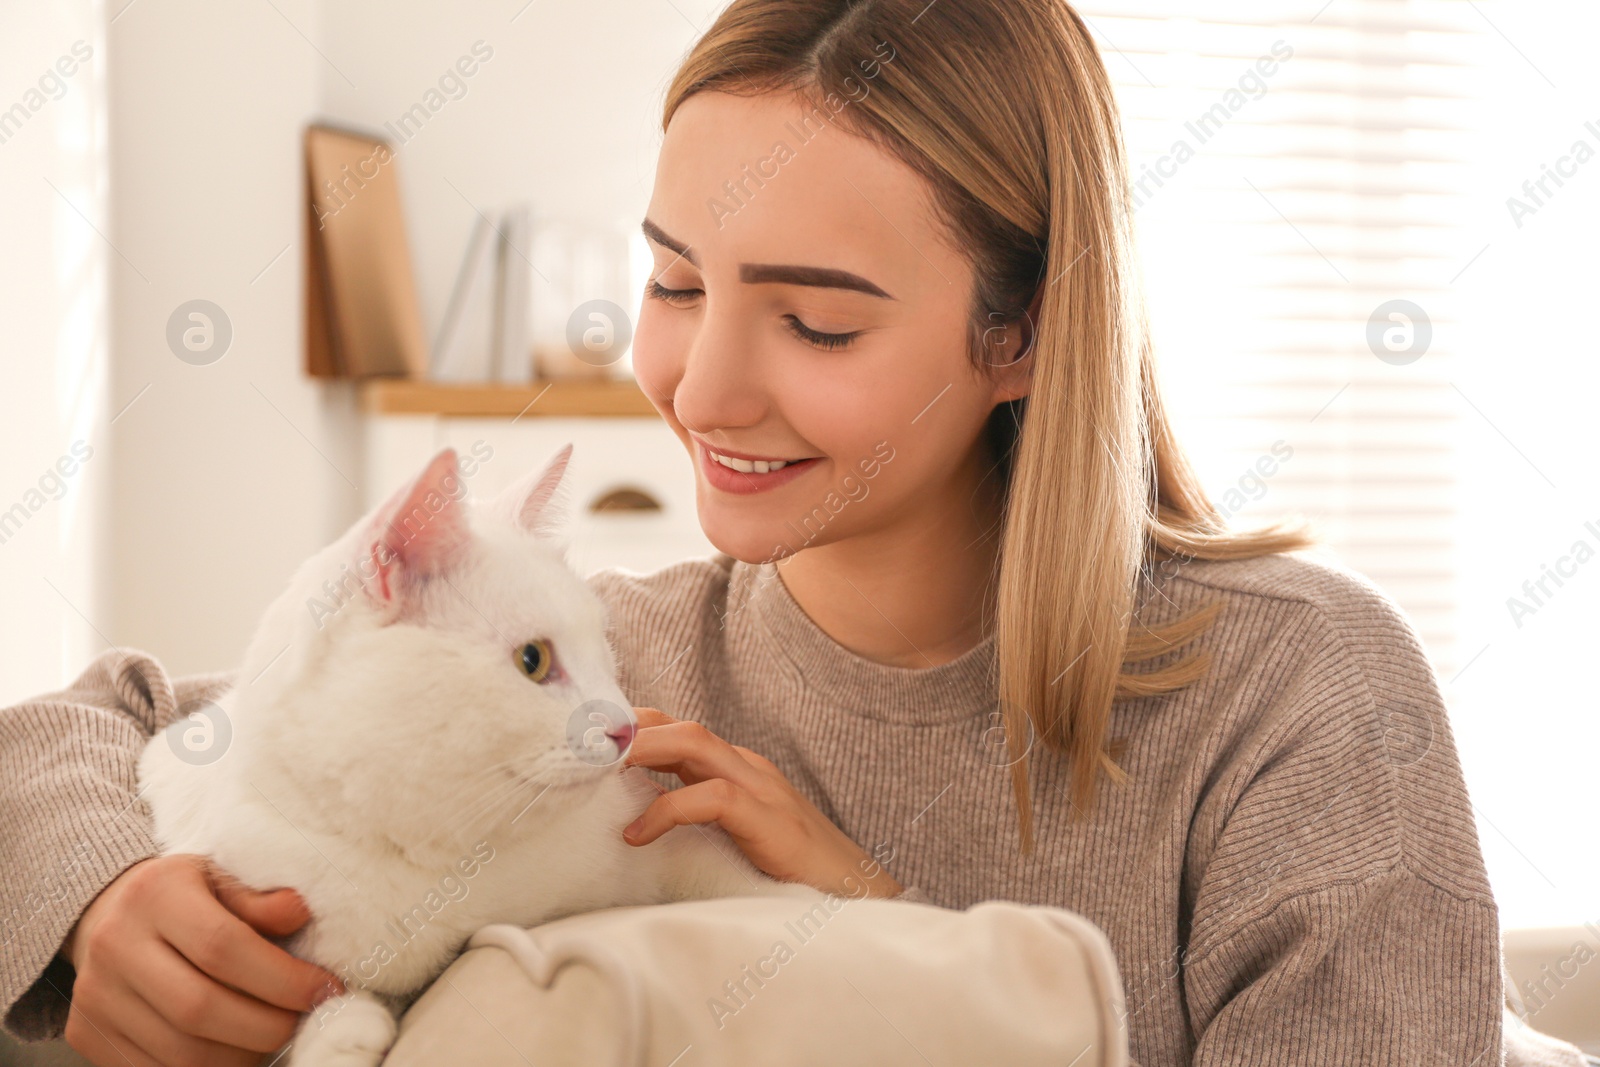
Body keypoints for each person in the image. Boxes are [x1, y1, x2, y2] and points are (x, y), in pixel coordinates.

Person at [2, 1, 1587, 1064]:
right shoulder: (609, 674)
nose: (701, 384)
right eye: (677, 281)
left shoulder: (1297, 705)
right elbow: (90, 726)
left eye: (818, 324)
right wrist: (102, 903)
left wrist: (887, 944)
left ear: (1020, 337)